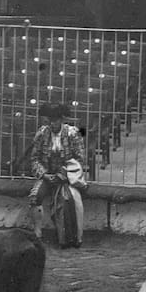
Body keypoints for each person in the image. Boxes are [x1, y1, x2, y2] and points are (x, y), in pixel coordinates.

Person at [28, 102, 87, 247]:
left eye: (55, 120)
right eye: (50, 120)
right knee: (35, 196)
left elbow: (80, 158)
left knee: (71, 199)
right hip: (48, 175)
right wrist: (44, 175)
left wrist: (64, 173)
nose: (52, 123)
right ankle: (37, 234)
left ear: (62, 120)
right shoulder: (42, 133)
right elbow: (34, 159)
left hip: (68, 176)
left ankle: (72, 236)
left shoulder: (73, 133)